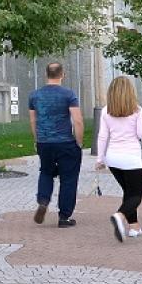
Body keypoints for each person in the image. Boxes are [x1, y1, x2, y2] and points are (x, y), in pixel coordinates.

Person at [28, 62, 84, 228]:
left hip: (44, 143)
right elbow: (78, 120)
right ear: (62, 75)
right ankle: (64, 217)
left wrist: (37, 139)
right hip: (65, 142)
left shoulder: (35, 95)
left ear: (47, 74)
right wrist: (79, 142)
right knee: (68, 178)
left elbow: (33, 120)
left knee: (45, 172)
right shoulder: (69, 94)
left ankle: (43, 200)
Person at [94, 75, 142, 242]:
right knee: (136, 196)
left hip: (113, 158)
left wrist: (100, 158)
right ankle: (120, 216)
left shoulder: (105, 111)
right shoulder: (137, 110)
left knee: (128, 192)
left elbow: (102, 136)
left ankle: (134, 227)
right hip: (131, 158)